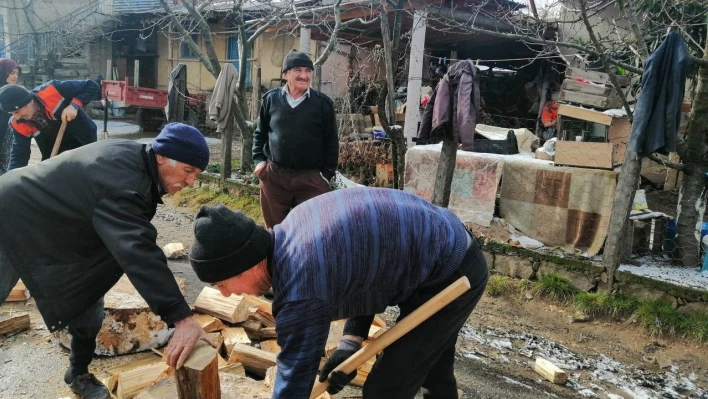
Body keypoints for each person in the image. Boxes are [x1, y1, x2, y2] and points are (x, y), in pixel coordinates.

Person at [189, 188, 489, 399]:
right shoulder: (293, 228)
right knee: (430, 366)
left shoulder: (300, 287)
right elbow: (364, 267)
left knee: (386, 390)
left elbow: (295, 376)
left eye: (222, 284)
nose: (226, 296)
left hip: (452, 271)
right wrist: (350, 342)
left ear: (245, 265)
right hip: (435, 250)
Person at [0, 123, 215, 399]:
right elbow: (138, 251)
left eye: (196, 175)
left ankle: (77, 373)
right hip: (10, 216)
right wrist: (182, 318)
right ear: (162, 156)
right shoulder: (126, 183)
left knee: (87, 293)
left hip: (58, 228)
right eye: (188, 171)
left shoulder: (139, 161)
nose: (190, 183)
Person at [252, 49, 339, 227]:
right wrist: (260, 163)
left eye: (308, 71)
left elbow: (332, 142)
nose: (304, 75)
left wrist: (326, 175)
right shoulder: (271, 100)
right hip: (275, 177)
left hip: (311, 180)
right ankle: (277, 256)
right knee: (276, 232)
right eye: (298, 70)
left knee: (311, 231)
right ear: (285, 74)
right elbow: (260, 133)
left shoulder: (323, 104)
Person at [0, 79, 99, 170]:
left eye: (17, 111)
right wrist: (11, 179)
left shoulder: (52, 90)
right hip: (55, 153)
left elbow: (92, 86)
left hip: (84, 139)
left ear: (29, 101)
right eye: (12, 114)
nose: (16, 117)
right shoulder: (17, 123)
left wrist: (74, 106)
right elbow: (19, 155)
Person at [0, 59, 21, 173]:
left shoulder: (15, 92)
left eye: (17, 73)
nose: (15, 76)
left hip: (8, 134)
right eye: (12, 72)